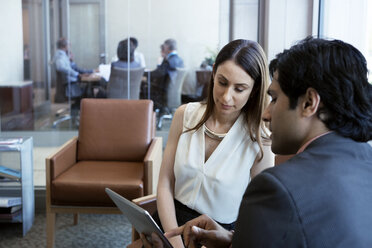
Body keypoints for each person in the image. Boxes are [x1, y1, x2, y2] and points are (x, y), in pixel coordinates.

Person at [143, 37, 372, 247]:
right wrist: (230, 241)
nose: (267, 113)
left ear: (309, 102)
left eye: (274, 98)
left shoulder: (278, 186)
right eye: (222, 82)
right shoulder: (364, 164)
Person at [152, 39, 275, 247]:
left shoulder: (260, 140)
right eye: (223, 82)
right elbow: (165, 181)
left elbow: (261, 214)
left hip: (217, 237)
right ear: (213, 74)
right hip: (169, 224)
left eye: (239, 89)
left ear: (254, 90)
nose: (227, 97)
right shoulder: (185, 115)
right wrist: (174, 242)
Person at [140, 39, 184, 108]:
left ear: (167, 47)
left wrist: (142, 73)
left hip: (163, 90)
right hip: (172, 89)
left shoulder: (169, 60)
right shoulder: (179, 60)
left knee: (142, 85)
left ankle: (146, 110)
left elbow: (158, 74)